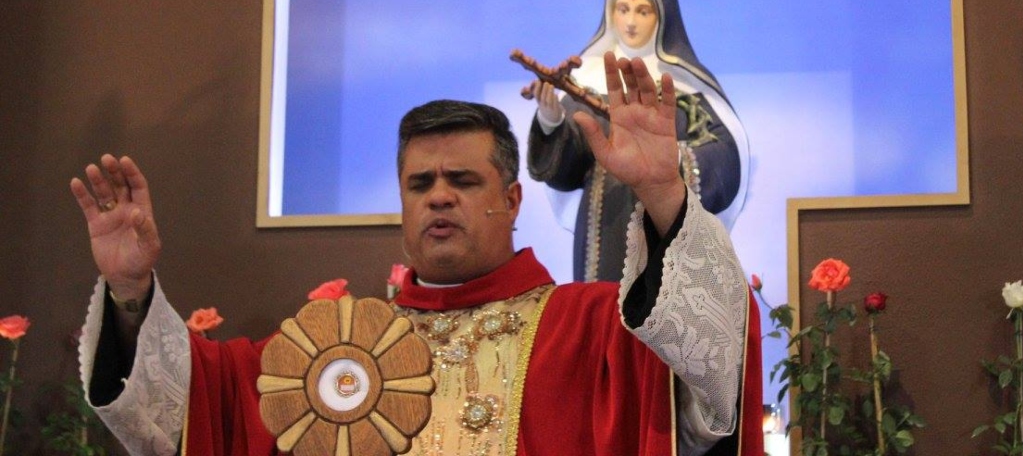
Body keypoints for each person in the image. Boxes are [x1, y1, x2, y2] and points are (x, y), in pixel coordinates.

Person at [72, 54, 762, 456]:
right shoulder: (334, 350)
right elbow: (189, 410)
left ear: (514, 200)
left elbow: (707, 369)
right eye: (420, 183)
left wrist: (665, 192)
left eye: (463, 182)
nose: (439, 198)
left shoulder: (587, 329)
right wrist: (131, 293)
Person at [527, 0, 751, 282]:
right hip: (603, 229)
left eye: (643, 11)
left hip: (669, 228)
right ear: (610, 14)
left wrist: (673, 159)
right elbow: (566, 172)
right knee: (603, 321)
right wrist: (551, 124)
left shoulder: (685, 86)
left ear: (662, 17)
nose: (631, 22)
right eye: (623, 9)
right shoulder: (585, 82)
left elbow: (726, 157)